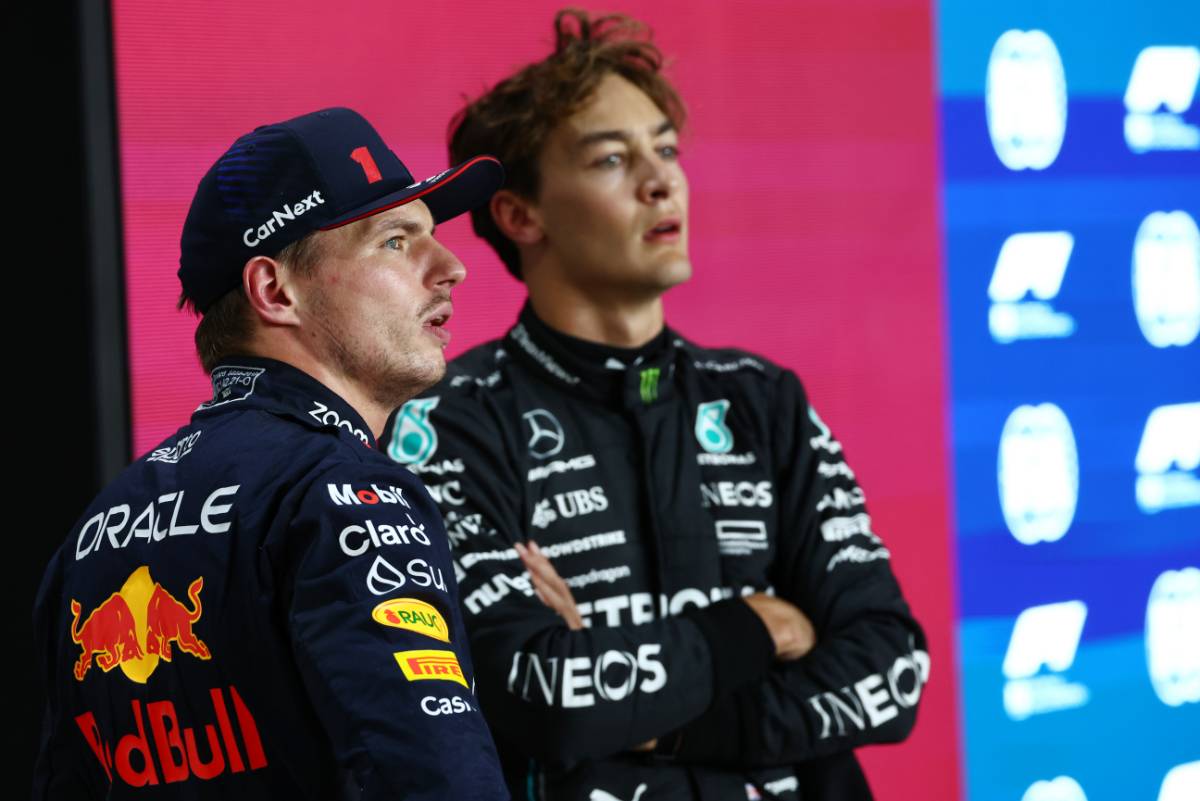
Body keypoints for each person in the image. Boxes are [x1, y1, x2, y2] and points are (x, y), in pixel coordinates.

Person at [383, 11, 931, 801]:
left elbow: (893, 667)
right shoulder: (449, 422)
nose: (660, 180)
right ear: (518, 214)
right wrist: (758, 628)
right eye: (611, 158)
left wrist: (656, 713)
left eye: (666, 150)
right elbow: (536, 694)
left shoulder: (762, 400)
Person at [33, 107, 510, 800]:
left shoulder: (93, 531)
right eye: (397, 242)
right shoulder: (347, 490)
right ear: (275, 290)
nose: (452, 267)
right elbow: (436, 782)